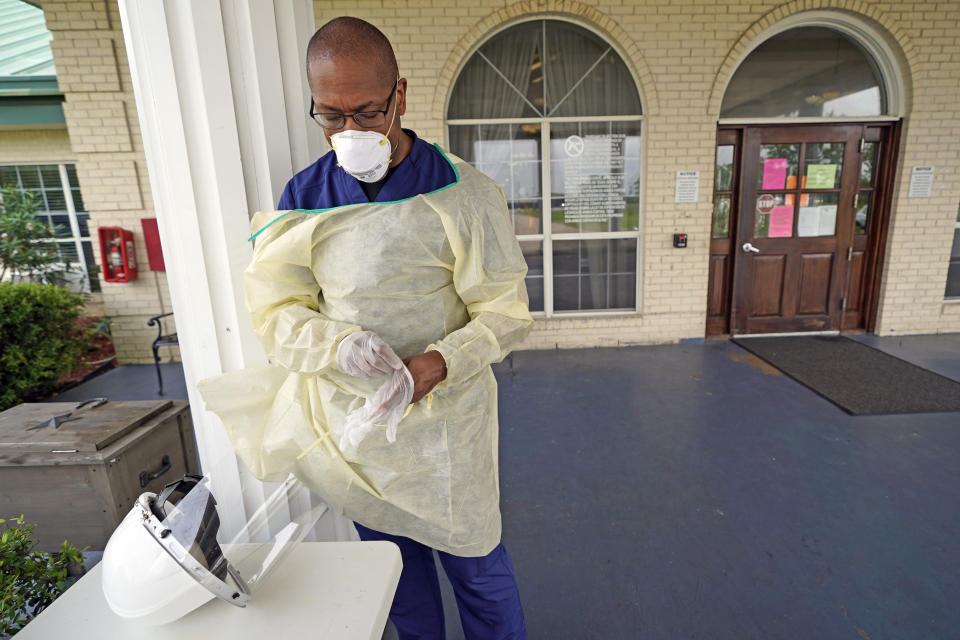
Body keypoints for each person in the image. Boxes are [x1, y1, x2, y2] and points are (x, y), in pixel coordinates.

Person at [198, 16, 532, 640]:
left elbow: (504, 313)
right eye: (330, 115)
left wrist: (440, 362)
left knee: (477, 566)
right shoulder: (304, 197)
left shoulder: (462, 194)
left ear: (399, 96)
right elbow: (276, 308)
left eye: (367, 112)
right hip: (358, 427)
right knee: (394, 572)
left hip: (446, 430)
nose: (348, 133)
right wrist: (338, 344)